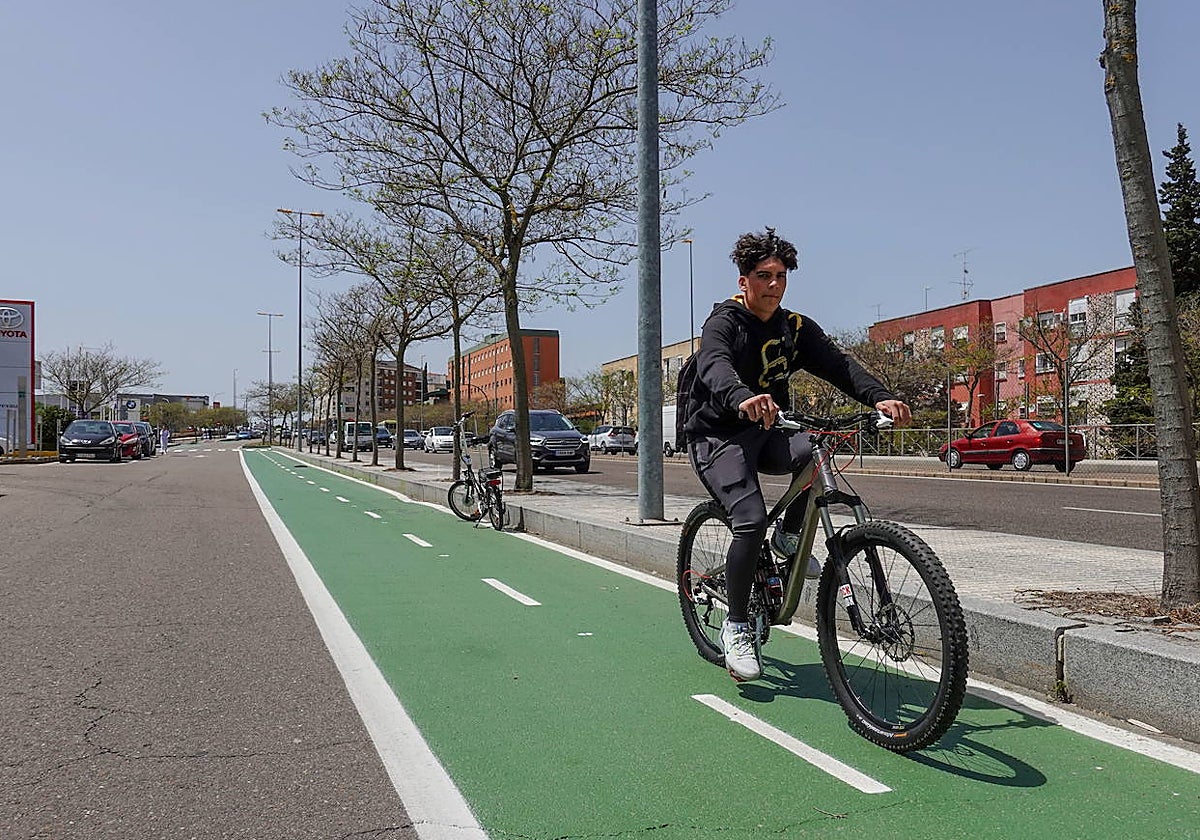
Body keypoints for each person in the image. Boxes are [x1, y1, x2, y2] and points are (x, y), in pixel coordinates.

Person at [683, 228, 912, 682]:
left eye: (781, 276)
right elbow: (714, 365)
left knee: (818, 451)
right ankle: (736, 626)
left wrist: (879, 397)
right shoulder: (724, 322)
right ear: (743, 279)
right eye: (763, 275)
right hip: (718, 435)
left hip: (770, 428)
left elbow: (839, 364)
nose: (773, 285)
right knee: (748, 518)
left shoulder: (795, 328)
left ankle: (788, 537)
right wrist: (742, 395)